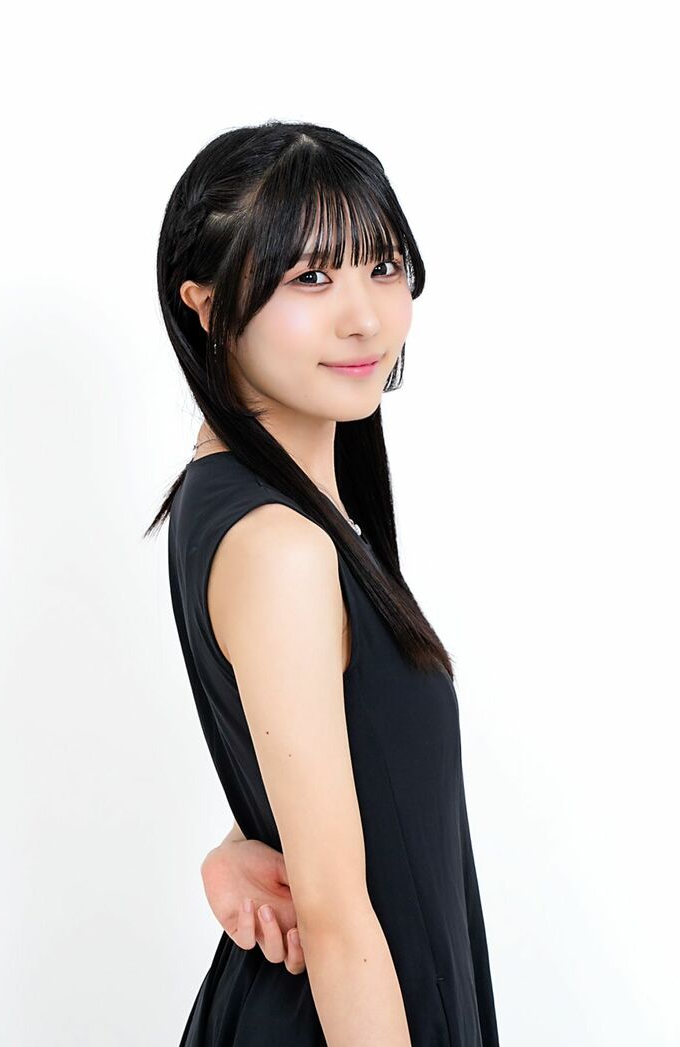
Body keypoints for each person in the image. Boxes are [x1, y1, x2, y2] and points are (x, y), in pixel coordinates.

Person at [145, 119, 500, 1046]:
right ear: (206, 305)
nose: (365, 317)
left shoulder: (244, 502)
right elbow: (339, 927)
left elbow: (336, 775)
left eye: (382, 266)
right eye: (310, 277)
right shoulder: (280, 545)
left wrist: (240, 844)